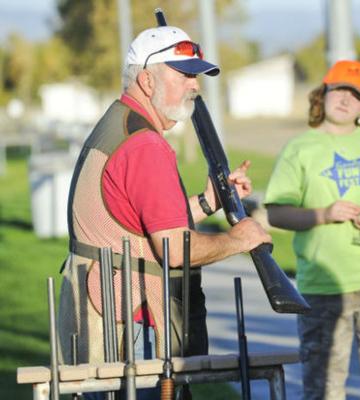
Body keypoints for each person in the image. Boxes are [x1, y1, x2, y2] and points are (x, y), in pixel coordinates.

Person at [57, 24, 271, 397]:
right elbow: (172, 247)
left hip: (106, 317)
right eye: (185, 74)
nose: (195, 85)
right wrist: (238, 238)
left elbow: (133, 222)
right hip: (132, 330)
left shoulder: (120, 123)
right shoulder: (146, 146)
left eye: (196, 76)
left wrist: (207, 203)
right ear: (146, 80)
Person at [264, 60, 360, 400]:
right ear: (325, 93)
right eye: (339, 90)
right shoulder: (299, 148)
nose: (346, 99)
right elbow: (276, 213)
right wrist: (324, 214)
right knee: (323, 388)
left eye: (356, 94)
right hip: (320, 284)